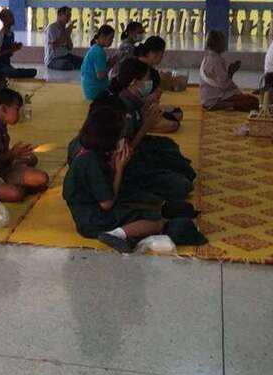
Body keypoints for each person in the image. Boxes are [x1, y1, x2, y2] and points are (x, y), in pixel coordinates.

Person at [63, 105, 206, 254]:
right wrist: (119, 168)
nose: (121, 140)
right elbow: (107, 203)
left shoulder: (91, 152)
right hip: (93, 220)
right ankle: (116, 234)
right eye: (119, 136)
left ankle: (128, 230)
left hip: (92, 211)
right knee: (155, 222)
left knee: (150, 205)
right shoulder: (90, 161)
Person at [92, 58, 196, 202]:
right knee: (183, 185)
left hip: (136, 151)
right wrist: (146, 126)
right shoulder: (122, 108)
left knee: (172, 151)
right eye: (147, 79)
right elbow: (125, 153)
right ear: (134, 82)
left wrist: (145, 116)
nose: (150, 83)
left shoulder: (132, 99)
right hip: (126, 164)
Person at [199, 30, 259, 111]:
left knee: (247, 99)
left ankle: (229, 105)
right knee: (253, 101)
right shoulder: (216, 61)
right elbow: (224, 85)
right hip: (214, 99)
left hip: (206, 98)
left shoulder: (208, 57)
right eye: (223, 42)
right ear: (217, 45)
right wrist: (231, 72)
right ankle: (228, 105)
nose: (225, 44)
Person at [135, 35, 182, 132]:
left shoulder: (152, 71)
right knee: (173, 125)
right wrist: (147, 100)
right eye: (161, 55)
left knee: (178, 114)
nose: (162, 58)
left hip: (147, 109)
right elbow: (127, 97)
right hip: (134, 112)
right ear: (153, 53)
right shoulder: (133, 66)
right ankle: (142, 126)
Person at [0, 8, 37, 79]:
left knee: (33, 71)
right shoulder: (0, 35)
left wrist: (14, 48)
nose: (13, 18)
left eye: (12, 16)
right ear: (4, 20)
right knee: (12, 72)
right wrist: (12, 49)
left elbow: (9, 53)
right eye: (10, 16)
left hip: (6, 65)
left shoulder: (11, 34)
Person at [81, 24, 116, 101]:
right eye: (110, 38)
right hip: (95, 91)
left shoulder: (95, 48)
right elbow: (101, 76)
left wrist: (108, 63)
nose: (111, 41)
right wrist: (110, 64)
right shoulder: (99, 52)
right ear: (102, 36)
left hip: (89, 89)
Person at [45, 6, 82, 70]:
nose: (69, 18)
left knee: (84, 62)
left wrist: (68, 34)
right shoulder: (52, 28)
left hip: (66, 56)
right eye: (67, 15)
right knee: (67, 65)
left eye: (70, 15)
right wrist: (67, 32)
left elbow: (70, 47)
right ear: (59, 15)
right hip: (53, 60)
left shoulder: (66, 29)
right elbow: (54, 45)